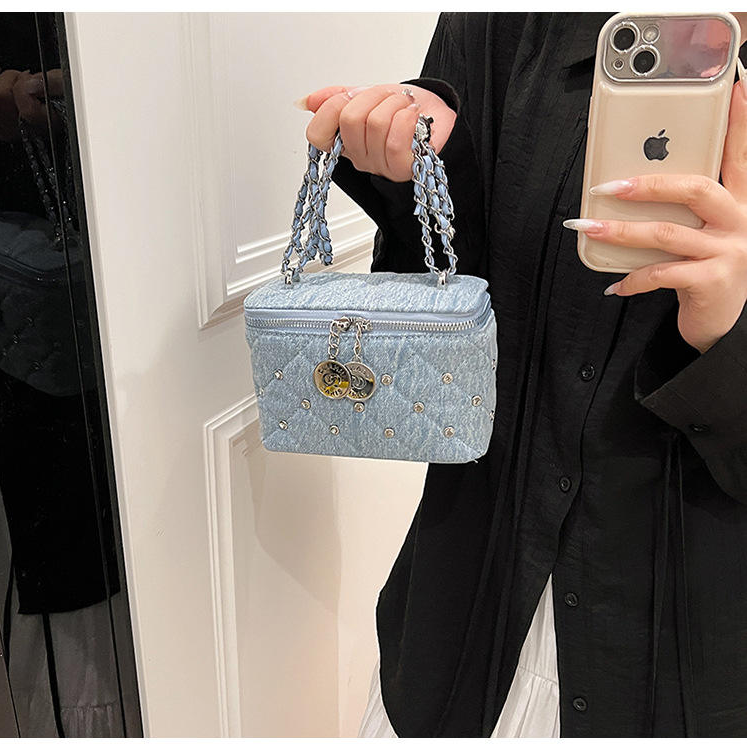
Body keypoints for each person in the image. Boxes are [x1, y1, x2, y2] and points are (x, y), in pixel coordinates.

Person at [299, 13, 747, 737]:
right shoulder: (506, 23)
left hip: (690, 667)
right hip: (469, 614)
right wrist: (422, 167)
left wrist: (728, 335)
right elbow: (442, 325)